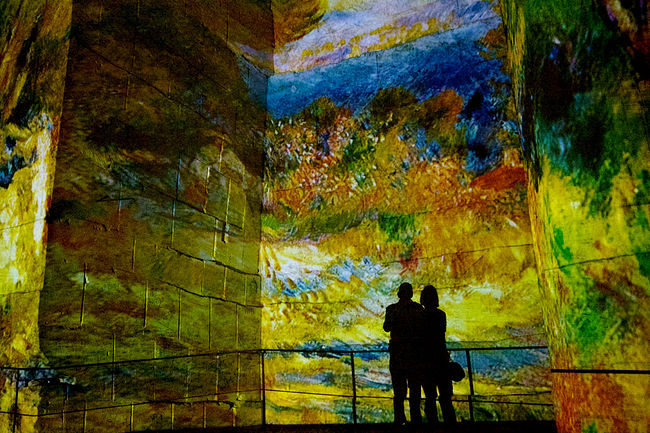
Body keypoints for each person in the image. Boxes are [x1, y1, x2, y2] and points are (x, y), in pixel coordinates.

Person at [383, 282, 424, 425]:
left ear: (399, 294)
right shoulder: (418, 309)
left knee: (399, 391)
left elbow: (386, 327)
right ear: (411, 293)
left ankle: (399, 418)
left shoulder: (392, 309)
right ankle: (416, 419)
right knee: (415, 389)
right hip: (414, 354)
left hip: (397, 354)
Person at [420, 284, 456, 423]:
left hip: (425, 359)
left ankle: (432, 423)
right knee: (445, 396)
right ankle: (450, 422)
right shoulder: (441, 315)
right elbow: (440, 336)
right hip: (441, 358)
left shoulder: (420, 316)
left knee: (430, 396)